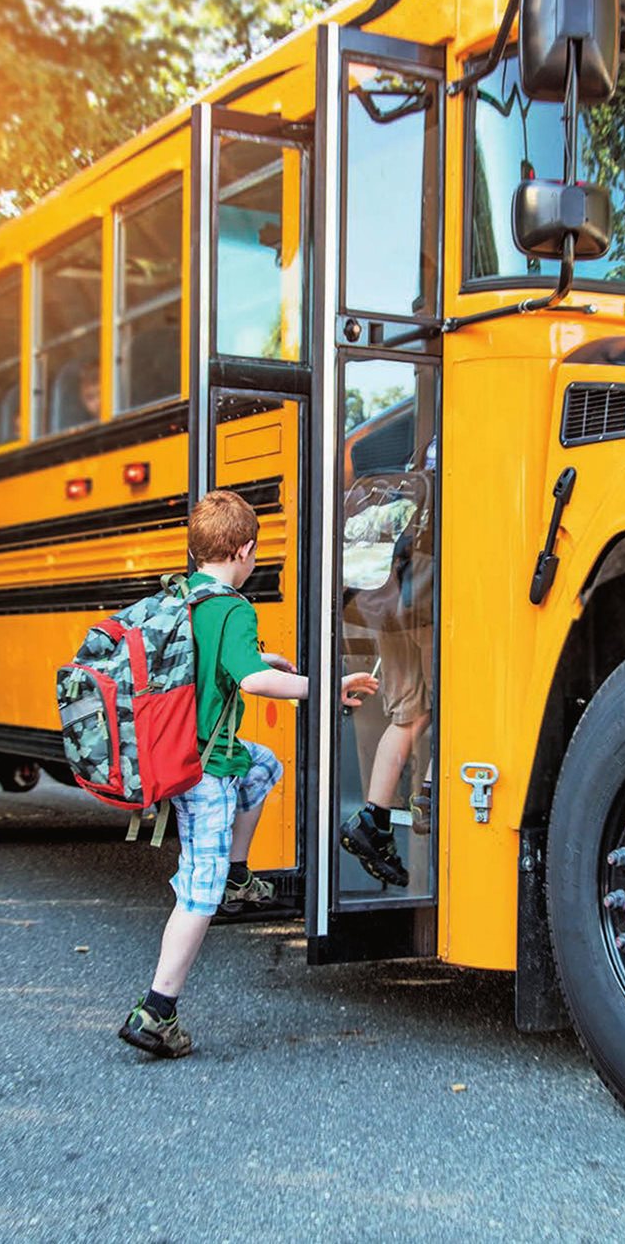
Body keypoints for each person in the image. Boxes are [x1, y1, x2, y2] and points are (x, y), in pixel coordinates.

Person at [119, 488, 377, 1059]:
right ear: (245, 550)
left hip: (188, 755)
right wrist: (322, 688)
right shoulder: (235, 606)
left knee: (263, 766)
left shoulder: (184, 595)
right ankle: (155, 1011)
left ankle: (238, 871)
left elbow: (224, 662)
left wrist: (264, 659)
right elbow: (253, 683)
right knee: (197, 894)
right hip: (203, 774)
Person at [340, 436, 435, 888]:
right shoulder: (447, 462)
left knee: (408, 715)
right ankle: (429, 798)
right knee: (447, 704)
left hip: (388, 607)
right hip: (427, 608)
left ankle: (374, 817)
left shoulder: (395, 476)